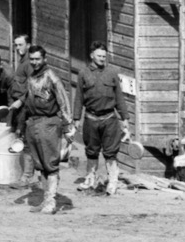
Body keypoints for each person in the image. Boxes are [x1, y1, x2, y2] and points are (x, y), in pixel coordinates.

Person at [15, 44, 76, 214]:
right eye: (32, 59)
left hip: (49, 123)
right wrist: (21, 125)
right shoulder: (31, 78)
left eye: (37, 59)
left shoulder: (51, 77)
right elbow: (27, 103)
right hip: (33, 123)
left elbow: (63, 101)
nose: (34, 62)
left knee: (50, 164)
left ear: (44, 59)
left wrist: (68, 126)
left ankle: (51, 201)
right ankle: (45, 199)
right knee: (40, 164)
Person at [75, 43, 127, 198]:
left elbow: (119, 97)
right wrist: (76, 118)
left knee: (111, 152)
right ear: (92, 55)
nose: (102, 59)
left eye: (104, 56)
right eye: (99, 56)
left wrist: (125, 118)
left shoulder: (112, 73)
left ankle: (112, 182)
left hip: (109, 119)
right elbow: (78, 98)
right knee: (91, 151)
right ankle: (90, 179)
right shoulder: (83, 74)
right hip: (91, 119)